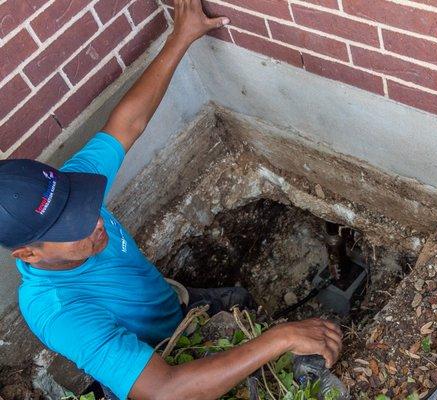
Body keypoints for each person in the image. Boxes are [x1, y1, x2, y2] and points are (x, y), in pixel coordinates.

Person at [2, 1, 343, 399]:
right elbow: (165, 391)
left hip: (176, 304)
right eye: (74, 226)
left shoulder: (71, 186)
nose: (93, 220)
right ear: (28, 254)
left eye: (83, 202)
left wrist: (180, 36)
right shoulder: (58, 311)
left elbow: (128, 123)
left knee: (240, 301)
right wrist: (277, 340)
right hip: (161, 362)